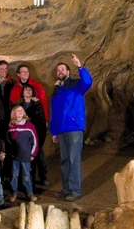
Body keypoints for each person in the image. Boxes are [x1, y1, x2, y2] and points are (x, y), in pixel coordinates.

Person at [50, 54, 92, 202]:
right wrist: (54, 131)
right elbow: (54, 112)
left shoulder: (76, 85)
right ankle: (66, 189)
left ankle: (75, 190)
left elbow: (88, 82)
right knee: (64, 160)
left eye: (63, 69)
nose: (60, 71)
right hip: (61, 130)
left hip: (74, 127)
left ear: (68, 72)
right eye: (58, 70)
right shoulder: (57, 90)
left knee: (74, 159)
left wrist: (79, 67)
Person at [7, 105, 38, 203]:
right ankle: (14, 193)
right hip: (15, 156)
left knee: (26, 175)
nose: (20, 112)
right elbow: (9, 141)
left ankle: (29, 193)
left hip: (26, 156)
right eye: (17, 111)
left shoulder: (30, 126)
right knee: (14, 175)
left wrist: (33, 154)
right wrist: (10, 152)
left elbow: (35, 140)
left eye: (21, 110)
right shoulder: (11, 126)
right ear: (14, 114)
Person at [20, 84, 48, 186]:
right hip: (23, 137)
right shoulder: (18, 106)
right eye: (25, 89)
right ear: (22, 92)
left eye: (30, 90)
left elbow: (41, 121)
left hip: (35, 136)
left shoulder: (37, 105)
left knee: (38, 157)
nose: (27, 91)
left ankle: (41, 177)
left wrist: (40, 138)